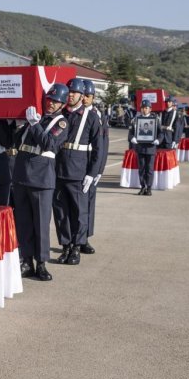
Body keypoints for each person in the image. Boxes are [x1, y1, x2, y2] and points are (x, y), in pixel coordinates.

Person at [13, 83, 70, 281]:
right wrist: (21, 125)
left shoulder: (61, 123)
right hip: (22, 174)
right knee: (23, 222)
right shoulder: (34, 117)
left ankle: (42, 263)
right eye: (49, 100)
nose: (51, 104)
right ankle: (26, 261)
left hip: (41, 178)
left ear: (62, 104)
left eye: (55, 101)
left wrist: (34, 124)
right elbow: (15, 141)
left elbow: (49, 144)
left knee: (41, 224)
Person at [53, 78, 100, 266]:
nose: (70, 95)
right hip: (58, 169)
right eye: (69, 92)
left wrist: (92, 173)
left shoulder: (91, 117)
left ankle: (76, 247)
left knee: (79, 212)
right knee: (61, 211)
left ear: (82, 95)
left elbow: (98, 147)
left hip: (79, 170)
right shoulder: (60, 114)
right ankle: (65, 245)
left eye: (74, 92)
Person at [81, 79, 107, 255]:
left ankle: (85, 238)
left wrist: (99, 169)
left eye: (88, 96)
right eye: (83, 95)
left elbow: (103, 144)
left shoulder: (97, 115)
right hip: (76, 160)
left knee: (88, 201)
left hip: (91, 159)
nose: (84, 99)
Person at [128, 99, 162, 195]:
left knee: (149, 169)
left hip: (151, 148)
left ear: (150, 109)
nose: (144, 110)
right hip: (140, 147)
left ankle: (149, 188)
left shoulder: (155, 120)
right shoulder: (135, 120)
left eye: (146, 108)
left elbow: (161, 133)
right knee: (141, 169)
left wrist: (158, 140)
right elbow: (130, 133)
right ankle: (143, 187)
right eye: (142, 108)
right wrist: (132, 138)